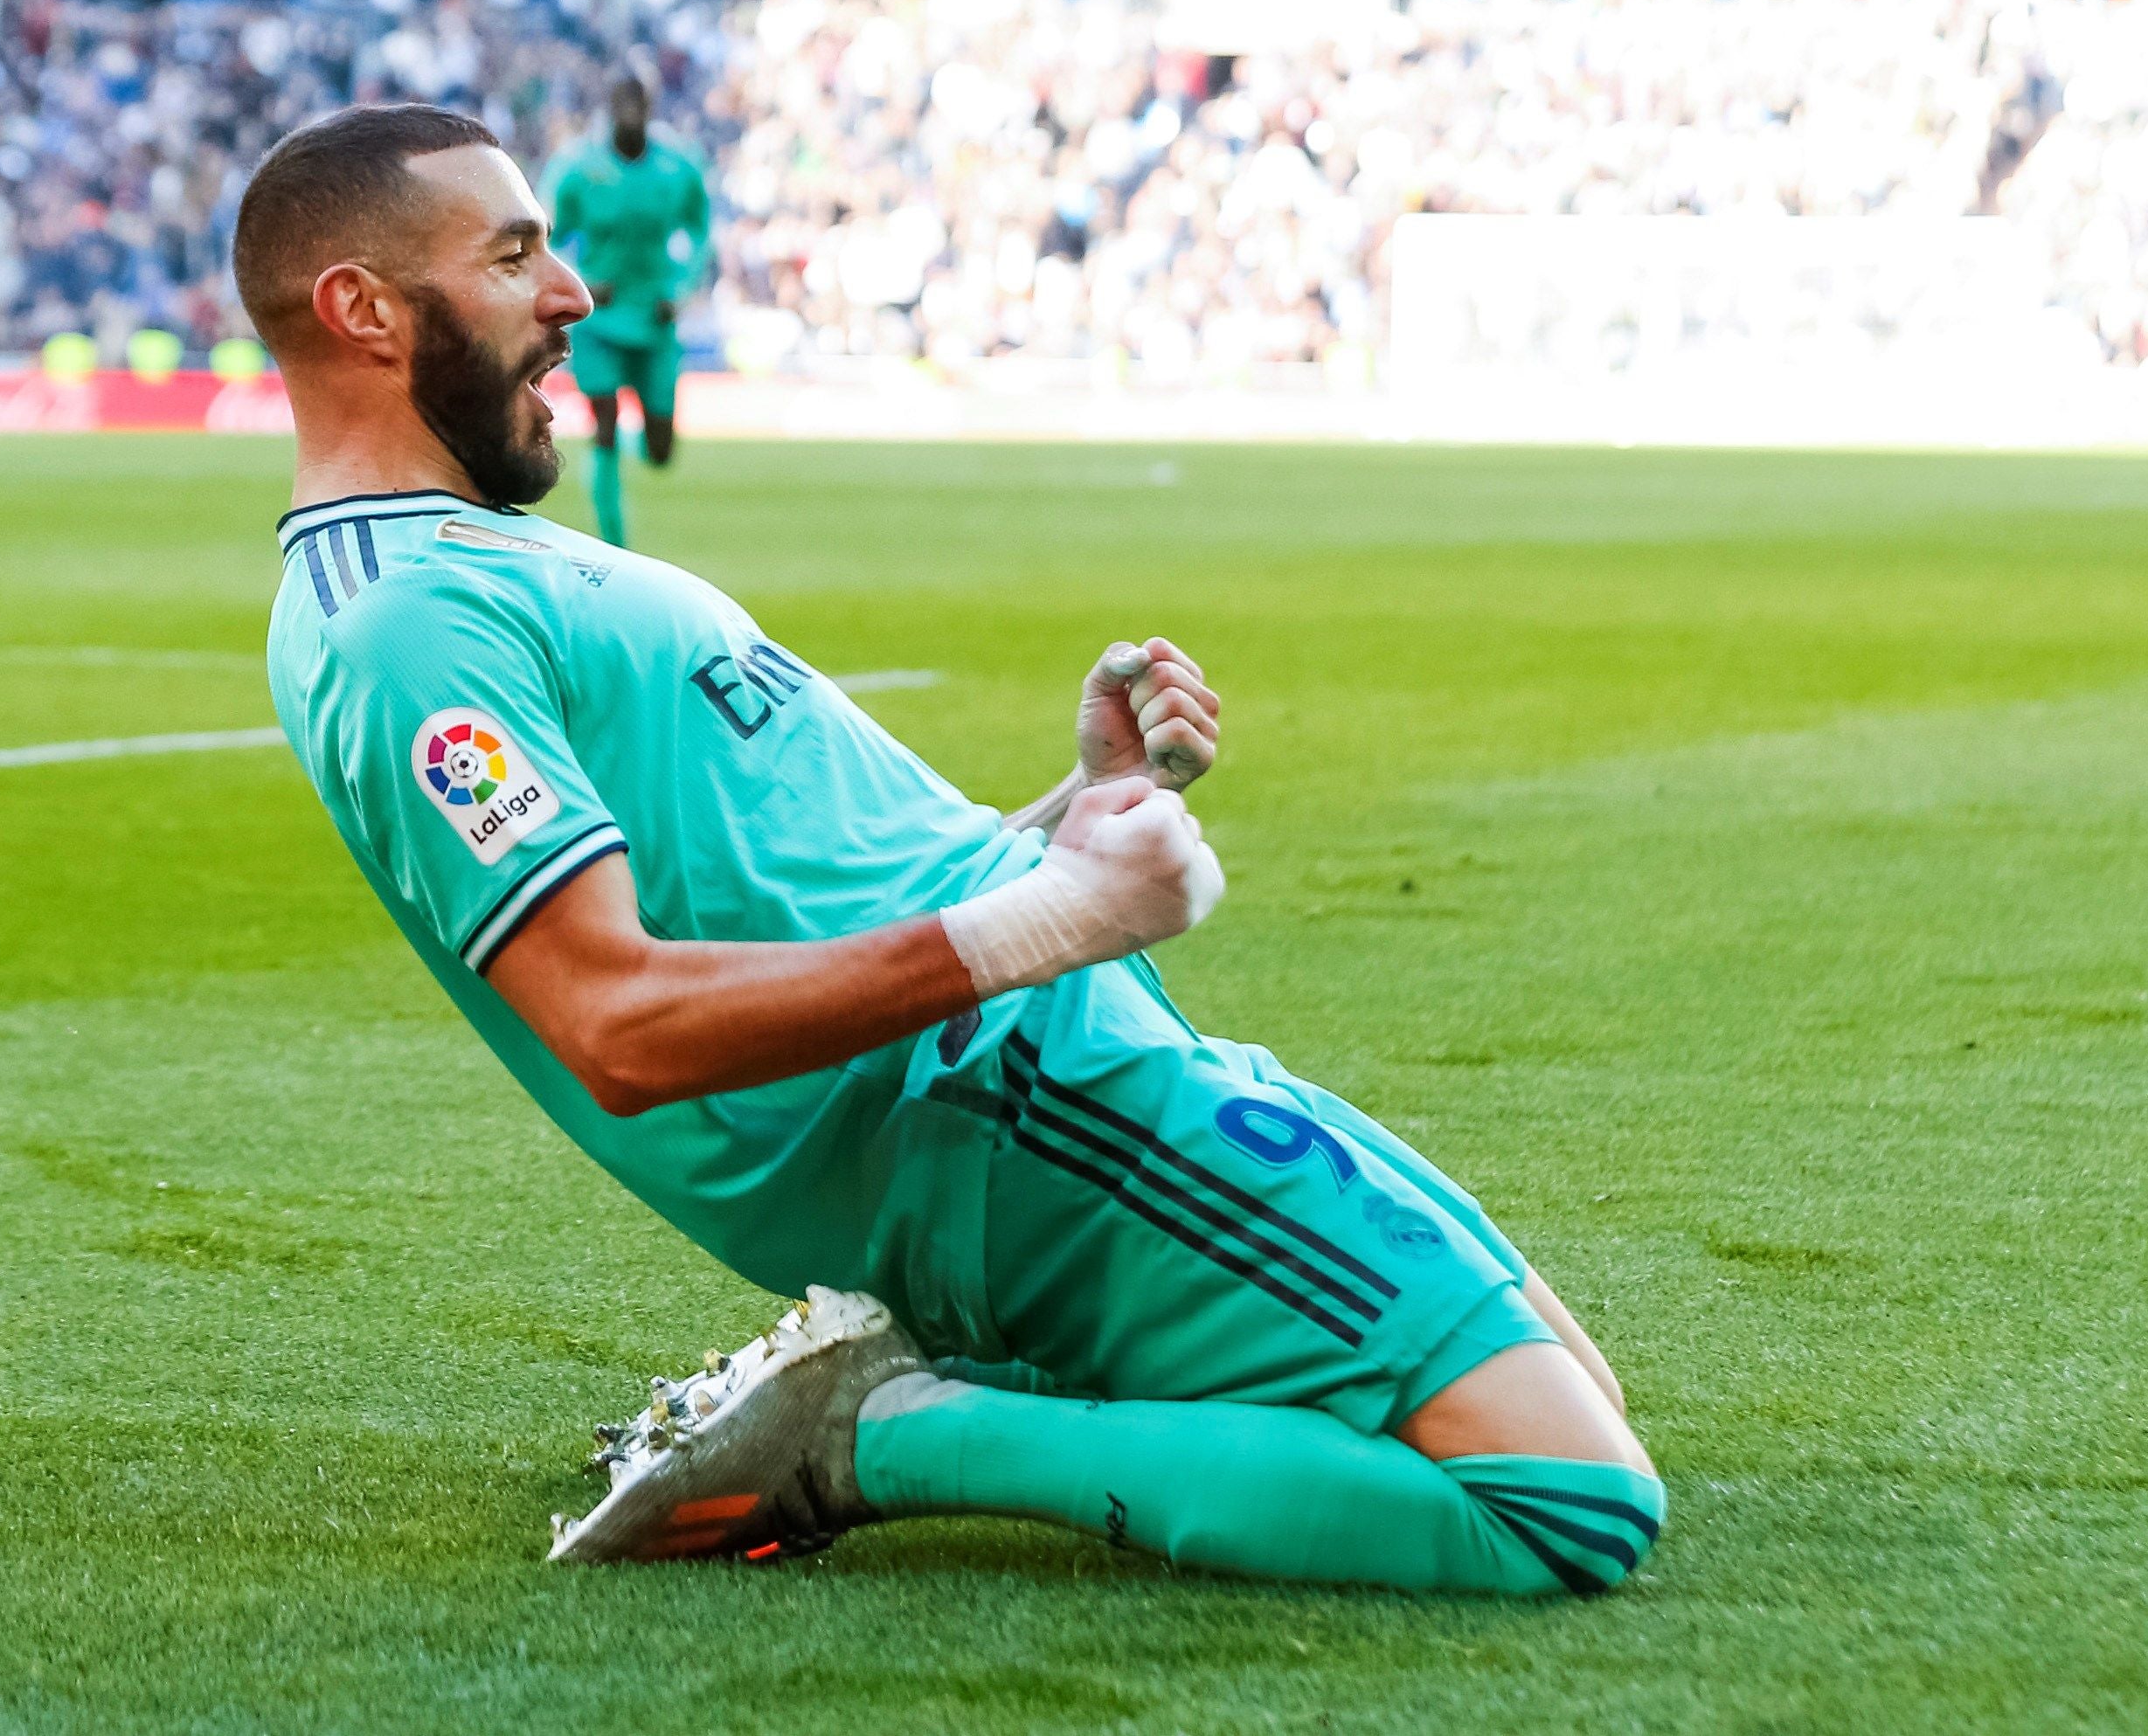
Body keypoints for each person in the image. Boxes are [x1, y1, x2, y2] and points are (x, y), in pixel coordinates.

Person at [237, 105, 1661, 1596]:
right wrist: (1049, 922)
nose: (576, 290)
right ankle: (881, 1433)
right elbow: (619, 1021)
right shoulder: (399, 624)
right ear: (363, 310)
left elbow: (789, 861)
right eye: (516, 252)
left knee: (1575, 1386)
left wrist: (1073, 811)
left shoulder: (463, 561)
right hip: (1006, 1108)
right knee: (1560, 1496)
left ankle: (916, 1395)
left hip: (1039, 1057)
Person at [541, 77, 712, 547]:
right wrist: (578, 280)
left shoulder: (678, 165)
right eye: (623, 106)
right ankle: (614, 542)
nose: (631, 115)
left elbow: (701, 227)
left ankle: (652, 437)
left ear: (651, 110)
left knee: (661, 450)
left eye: (640, 106)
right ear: (610, 111)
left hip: (655, 317)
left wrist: (681, 287)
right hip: (601, 317)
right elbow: (545, 233)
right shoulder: (577, 167)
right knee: (605, 420)